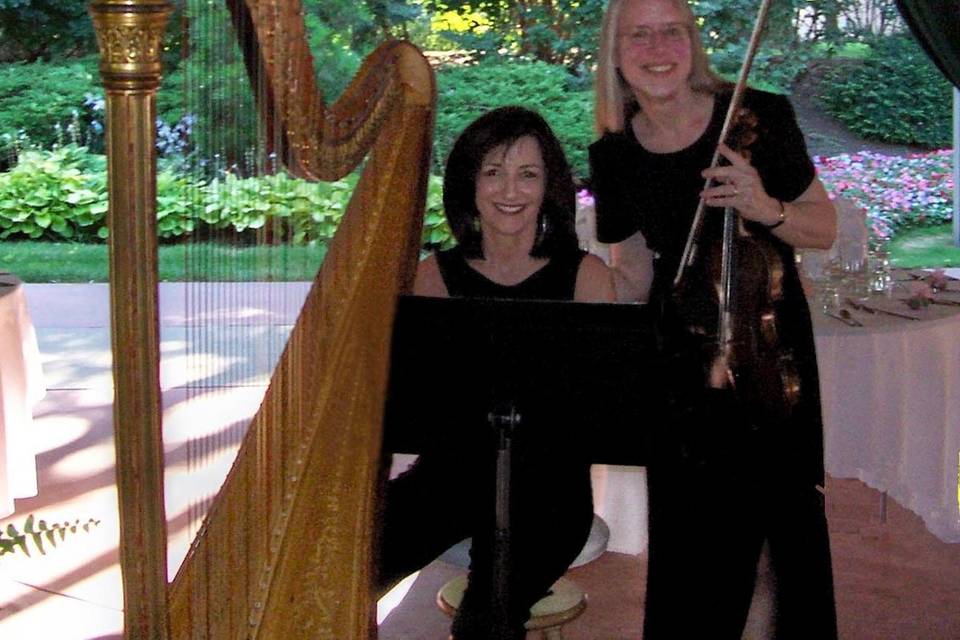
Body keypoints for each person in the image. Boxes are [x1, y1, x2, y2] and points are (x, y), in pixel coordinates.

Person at [588, 0, 839, 638]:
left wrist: (764, 205)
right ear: (615, 51)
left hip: (770, 359)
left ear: (693, 41)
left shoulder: (760, 117)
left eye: (672, 30)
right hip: (683, 367)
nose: (657, 47)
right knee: (693, 542)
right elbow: (635, 273)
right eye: (638, 34)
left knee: (775, 544)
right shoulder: (614, 152)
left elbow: (824, 227)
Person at [377, 105, 615, 639]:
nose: (511, 190)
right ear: (469, 183)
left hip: (549, 491)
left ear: (549, 185)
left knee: (487, 619)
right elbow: (414, 403)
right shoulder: (433, 277)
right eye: (494, 172)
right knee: (342, 567)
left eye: (528, 174)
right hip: (448, 479)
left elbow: (599, 410)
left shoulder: (588, 278)